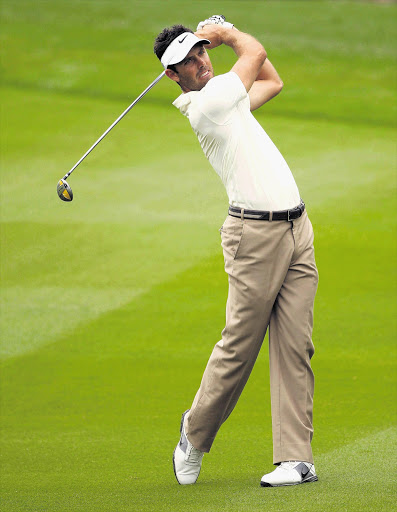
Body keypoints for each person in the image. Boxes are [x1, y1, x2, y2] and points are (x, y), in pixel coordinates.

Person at [153, 15, 319, 488]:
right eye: (187, 61)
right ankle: (194, 434)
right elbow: (256, 56)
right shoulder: (210, 105)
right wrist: (225, 32)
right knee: (239, 349)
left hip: (296, 227)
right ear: (173, 75)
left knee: (295, 344)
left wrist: (220, 41)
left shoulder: (228, 100)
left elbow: (273, 80)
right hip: (254, 237)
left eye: (202, 51)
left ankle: (294, 459)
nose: (200, 62)